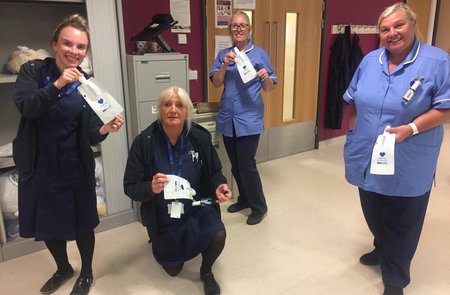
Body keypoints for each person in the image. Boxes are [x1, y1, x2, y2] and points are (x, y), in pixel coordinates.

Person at [12, 14, 124, 295]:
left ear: (86, 51)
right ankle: (63, 267)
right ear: (54, 45)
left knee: (84, 223)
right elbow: (27, 107)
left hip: (75, 164)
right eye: (68, 44)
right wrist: (58, 84)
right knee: (49, 224)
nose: (74, 51)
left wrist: (106, 129)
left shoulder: (88, 85)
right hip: (40, 164)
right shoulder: (33, 72)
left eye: (81, 47)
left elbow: (89, 134)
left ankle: (86, 272)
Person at [343, 3, 450, 295]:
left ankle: (395, 279)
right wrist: (352, 131)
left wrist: (412, 128)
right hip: (367, 152)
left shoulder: (437, 62)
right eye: (385, 28)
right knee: (373, 209)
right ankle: (382, 247)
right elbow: (352, 99)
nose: (392, 33)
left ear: (413, 24)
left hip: (409, 156)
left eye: (399, 25)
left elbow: (446, 108)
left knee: (403, 220)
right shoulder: (370, 61)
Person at [123, 86, 232, 295]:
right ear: (159, 109)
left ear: (187, 111)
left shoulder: (199, 138)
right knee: (173, 270)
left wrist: (219, 185)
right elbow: (130, 186)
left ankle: (206, 271)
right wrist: (150, 187)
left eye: (179, 105)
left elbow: (215, 171)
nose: (173, 109)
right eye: (167, 104)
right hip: (163, 214)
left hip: (196, 207)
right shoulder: (144, 142)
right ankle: (160, 242)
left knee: (218, 234)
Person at [209, 10, 277, 225]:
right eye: (234, 26)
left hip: (249, 118)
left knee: (247, 164)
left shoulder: (260, 54)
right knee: (236, 165)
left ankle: (259, 206)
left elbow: (269, 88)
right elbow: (216, 83)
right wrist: (224, 65)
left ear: (249, 29)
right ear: (230, 30)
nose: (238, 29)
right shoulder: (223, 55)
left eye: (242, 25)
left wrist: (265, 76)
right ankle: (244, 199)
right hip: (228, 118)